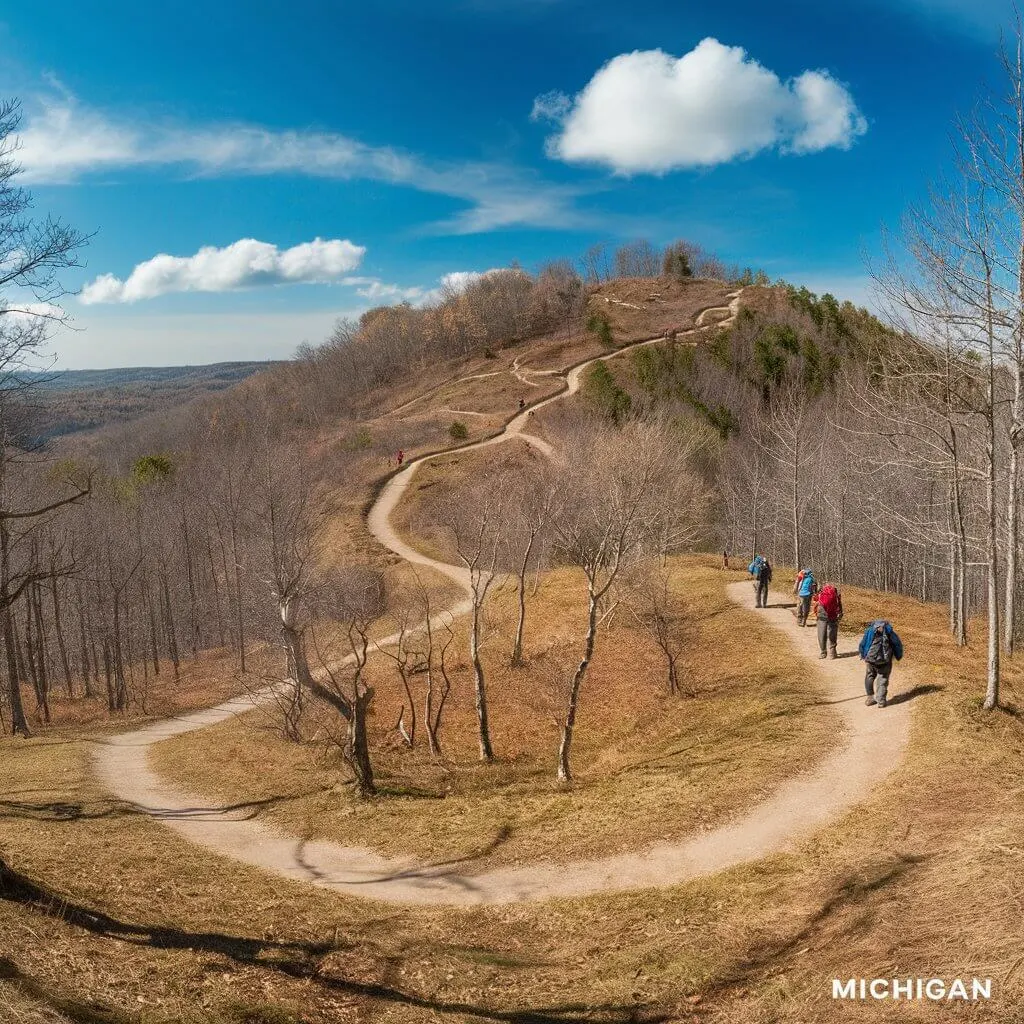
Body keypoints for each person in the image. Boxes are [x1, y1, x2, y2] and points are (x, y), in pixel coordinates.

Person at [858, 619, 904, 708]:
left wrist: (863, 654)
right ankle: (881, 701)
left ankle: (870, 698)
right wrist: (898, 656)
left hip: (871, 659)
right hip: (885, 660)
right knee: (882, 679)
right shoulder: (889, 631)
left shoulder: (870, 631)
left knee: (869, 676)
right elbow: (897, 644)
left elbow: (863, 643)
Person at [815, 581, 843, 659]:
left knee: (821, 633)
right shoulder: (836, 593)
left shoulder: (821, 591)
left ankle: (823, 652)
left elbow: (816, 601)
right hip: (833, 615)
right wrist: (840, 613)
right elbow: (839, 604)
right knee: (832, 632)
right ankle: (832, 652)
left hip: (822, 615)